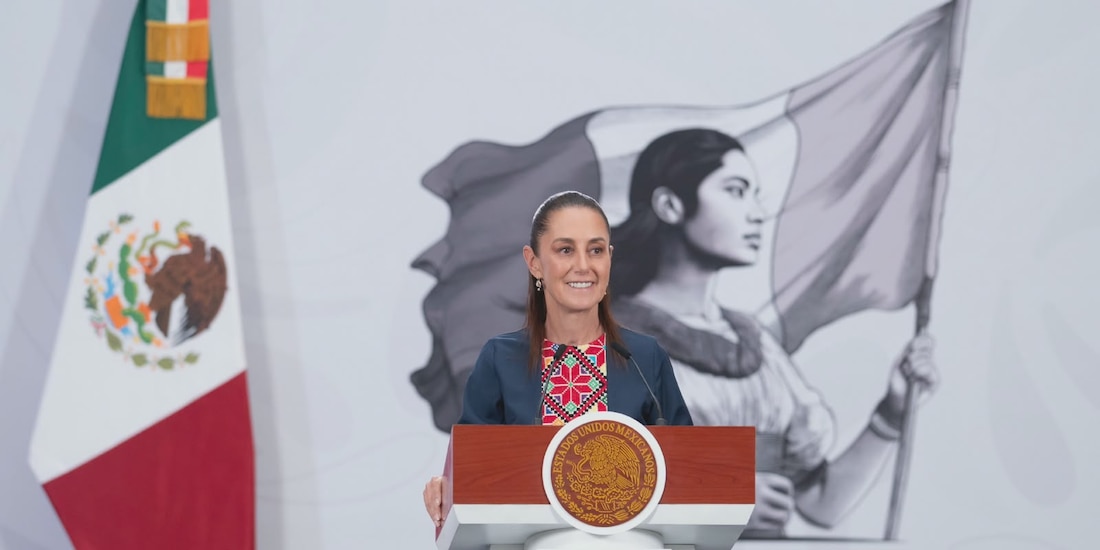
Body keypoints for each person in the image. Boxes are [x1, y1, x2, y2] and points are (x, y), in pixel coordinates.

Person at [608, 128, 939, 538]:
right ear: (670, 205)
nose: (756, 211)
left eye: (755, 193)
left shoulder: (756, 344)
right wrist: (720, 502)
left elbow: (820, 504)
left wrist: (891, 411)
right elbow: (564, 494)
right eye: (735, 190)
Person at [421, 190, 694, 527]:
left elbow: (689, 474)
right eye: (565, 250)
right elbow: (470, 470)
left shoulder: (645, 357)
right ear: (534, 262)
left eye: (595, 250)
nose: (583, 265)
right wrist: (448, 485)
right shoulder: (500, 359)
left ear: (609, 258)